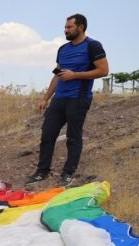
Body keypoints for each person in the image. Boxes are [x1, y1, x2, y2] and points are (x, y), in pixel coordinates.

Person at [26, 14, 109, 188]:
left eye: (70, 27)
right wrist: (45, 98)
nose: (66, 30)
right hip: (59, 99)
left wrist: (75, 75)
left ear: (81, 27)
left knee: (73, 137)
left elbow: (103, 70)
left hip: (78, 98)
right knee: (47, 135)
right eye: (65, 27)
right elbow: (57, 76)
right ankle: (42, 172)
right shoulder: (62, 49)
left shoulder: (93, 46)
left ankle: (68, 173)